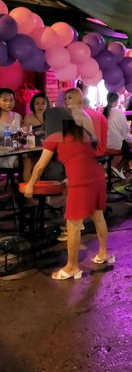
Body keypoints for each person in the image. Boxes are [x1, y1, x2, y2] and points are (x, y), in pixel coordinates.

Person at [24, 110, 112, 280]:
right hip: (97, 175)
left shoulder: (54, 137)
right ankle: (103, 253)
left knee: (73, 224)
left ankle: (72, 267)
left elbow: (40, 166)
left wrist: (30, 184)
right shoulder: (80, 132)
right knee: (98, 216)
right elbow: (82, 156)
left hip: (81, 181)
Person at [103, 92, 132, 179]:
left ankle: (116, 168)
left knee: (129, 143)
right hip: (115, 145)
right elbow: (125, 131)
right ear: (116, 101)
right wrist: (130, 139)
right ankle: (118, 168)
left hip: (103, 144)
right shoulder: (118, 112)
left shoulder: (101, 110)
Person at [0, 87, 22, 168]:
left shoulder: (18, 116)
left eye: (11, 100)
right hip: (3, 155)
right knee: (26, 162)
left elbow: (21, 135)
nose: (8, 103)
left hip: (18, 152)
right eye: (5, 100)